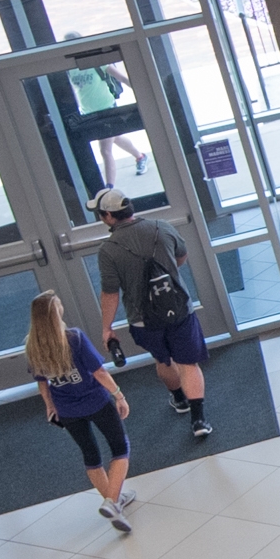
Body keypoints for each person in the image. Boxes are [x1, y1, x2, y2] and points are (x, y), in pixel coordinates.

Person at [88, 188, 212, 443]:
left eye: (100, 215)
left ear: (109, 216)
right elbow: (182, 255)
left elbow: (110, 292)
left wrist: (107, 327)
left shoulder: (109, 250)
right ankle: (199, 420)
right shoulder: (161, 227)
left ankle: (179, 400)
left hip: (144, 319)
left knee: (164, 362)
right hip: (179, 310)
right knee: (189, 364)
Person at [22, 291, 137, 534]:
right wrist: (119, 395)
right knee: (120, 448)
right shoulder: (73, 338)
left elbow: (42, 381)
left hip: (67, 409)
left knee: (90, 455)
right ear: (56, 313)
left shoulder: (32, 346)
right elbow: (99, 373)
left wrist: (50, 405)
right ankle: (113, 502)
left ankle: (112, 501)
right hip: (96, 401)